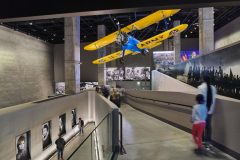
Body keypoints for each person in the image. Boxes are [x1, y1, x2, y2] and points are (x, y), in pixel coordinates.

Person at [198, 75, 217, 149]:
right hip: (210, 110)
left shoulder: (200, 87)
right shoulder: (213, 88)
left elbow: (199, 99)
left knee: (201, 126)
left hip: (203, 110)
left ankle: (202, 141)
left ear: (203, 79)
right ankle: (208, 142)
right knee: (208, 126)